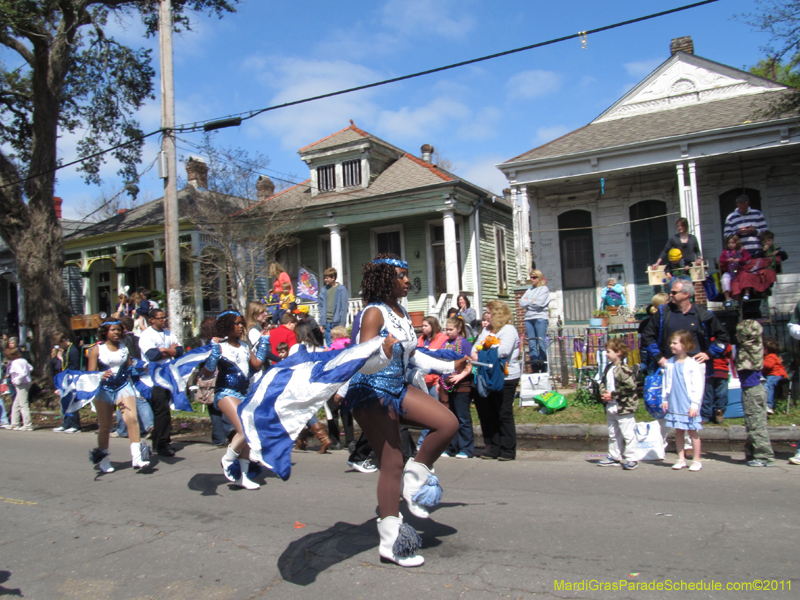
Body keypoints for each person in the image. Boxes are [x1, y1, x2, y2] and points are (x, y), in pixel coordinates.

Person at [342, 254, 465, 567]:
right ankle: (391, 542)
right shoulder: (373, 313)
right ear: (386, 279)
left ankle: (415, 476)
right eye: (401, 275)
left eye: (407, 275)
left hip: (397, 387)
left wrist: (451, 365)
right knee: (392, 461)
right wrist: (382, 353)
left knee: (447, 423)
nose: (408, 280)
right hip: (369, 391)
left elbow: (414, 358)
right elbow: (361, 361)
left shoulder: (401, 312)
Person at [641, 277, 729, 434]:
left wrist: (709, 353)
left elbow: (723, 337)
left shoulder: (702, 314)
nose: (671, 295)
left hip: (694, 365)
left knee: (691, 405)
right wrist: (659, 357)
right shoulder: (663, 312)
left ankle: (689, 444)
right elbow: (647, 335)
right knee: (666, 403)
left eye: (674, 292)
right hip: (670, 364)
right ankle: (662, 441)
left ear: (686, 294)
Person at [205, 311, 270, 489]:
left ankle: (242, 475)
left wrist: (264, 341)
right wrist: (213, 351)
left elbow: (256, 365)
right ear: (227, 326)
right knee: (244, 429)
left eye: (242, 322)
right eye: (237, 323)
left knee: (248, 433)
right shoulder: (220, 346)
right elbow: (207, 372)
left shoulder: (243, 345)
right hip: (225, 392)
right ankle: (227, 459)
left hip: (243, 393)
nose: (241, 326)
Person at [87, 318, 150, 472]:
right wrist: (100, 375)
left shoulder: (124, 348)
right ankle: (103, 459)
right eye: (113, 330)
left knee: (132, 419)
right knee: (105, 426)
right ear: (105, 332)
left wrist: (143, 370)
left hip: (123, 386)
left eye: (118, 330)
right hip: (104, 390)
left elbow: (129, 368)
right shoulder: (96, 349)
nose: (117, 333)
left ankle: (137, 458)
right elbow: (90, 373)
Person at [474, 300, 520, 461]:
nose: (487, 315)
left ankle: (508, 449)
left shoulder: (509, 330)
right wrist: (483, 349)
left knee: (503, 412)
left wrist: (483, 350)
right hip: (487, 375)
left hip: (506, 376)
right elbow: (475, 348)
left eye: (489, 312)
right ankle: (493, 447)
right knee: (490, 413)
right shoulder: (487, 330)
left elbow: (503, 351)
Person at [138, 308, 184, 457]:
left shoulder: (169, 334)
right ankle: (163, 442)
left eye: (165, 317)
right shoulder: (146, 336)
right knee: (162, 411)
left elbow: (179, 351)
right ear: (152, 320)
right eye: (160, 318)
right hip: (153, 379)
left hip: (167, 377)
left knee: (163, 411)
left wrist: (165, 350)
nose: (163, 320)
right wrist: (167, 350)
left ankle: (157, 442)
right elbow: (153, 355)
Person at [661, 331, 704, 472]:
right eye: (671, 343)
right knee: (679, 430)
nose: (672, 346)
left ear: (685, 345)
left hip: (688, 401)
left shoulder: (692, 364)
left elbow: (698, 386)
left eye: (675, 343)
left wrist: (694, 405)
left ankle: (697, 459)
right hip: (675, 400)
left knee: (692, 430)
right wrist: (664, 399)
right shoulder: (670, 363)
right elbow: (665, 382)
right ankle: (681, 458)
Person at [735, 320, 775, 467]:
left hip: (752, 391)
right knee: (751, 423)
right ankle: (751, 453)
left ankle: (764, 456)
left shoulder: (749, 348)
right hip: (752, 389)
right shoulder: (756, 345)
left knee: (756, 425)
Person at [597, 339, 638, 470]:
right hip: (611, 406)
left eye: (609, 351)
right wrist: (603, 393)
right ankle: (614, 456)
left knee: (628, 433)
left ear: (619, 353)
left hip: (624, 407)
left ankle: (631, 458)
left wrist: (613, 395)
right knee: (613, 433)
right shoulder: (608, 368)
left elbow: (630, 388)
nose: (606, 354)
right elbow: (603, 383)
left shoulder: (624, 369)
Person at [440, 316, 474, 459]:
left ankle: (466, 448)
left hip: (462, 386)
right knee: (450, 418)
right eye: (446, 329)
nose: (447, 332)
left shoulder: (464, 344)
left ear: (459, 329)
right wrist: (439, 381)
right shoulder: (445, 343)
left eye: (450, 329)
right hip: (447, 384)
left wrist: (460, 376)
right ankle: (451, 447)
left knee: (462, 417)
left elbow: (470, 364)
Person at [415, 315, 448, 450]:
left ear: (433, 326)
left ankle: (439, 444)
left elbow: (442, 359)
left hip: (435, 382)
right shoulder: (421, 339)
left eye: (425, 326)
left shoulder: (442, 339)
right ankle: (423, 442)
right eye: (422, 325)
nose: (422, 328)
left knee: (437, 415)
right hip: (422, 382)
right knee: (425, 415)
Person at [51, 333, 82, 433]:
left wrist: (61, 359)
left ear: (64, 340)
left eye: (60, 344)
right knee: (64, 403)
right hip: (64, 380)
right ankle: (66, 424)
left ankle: (75, 425)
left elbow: (71, 367)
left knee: (71, 403)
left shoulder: (72, 350)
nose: (59, 347)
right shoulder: (65, 350)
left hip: (71, 379)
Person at [519, 269, 550, 365]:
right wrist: (531, 301)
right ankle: (534, 364)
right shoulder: (529, 290)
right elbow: (521, 302)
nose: (532, 279)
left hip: (540, 317)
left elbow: (539, 303)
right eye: (531, 277)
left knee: (541, 342)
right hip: (529, 318)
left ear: (539, 278)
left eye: (534, 277)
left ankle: (543, 364)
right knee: (532, 343)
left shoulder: (544, 289)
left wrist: (528, 303)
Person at [701, 338, 731, 425]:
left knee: (708, 394)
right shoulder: (725, 342)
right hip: (719, 371)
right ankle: (717, 412)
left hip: (713, 371)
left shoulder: (706, 340)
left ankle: (708, 415)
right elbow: (729, 355)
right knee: (720, 394)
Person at [318, 267, 349, 346]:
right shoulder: (323, 290)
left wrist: (342, 324)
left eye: (327, 278)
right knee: (329, 345)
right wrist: (322, 323)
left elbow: (344, 307)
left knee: (338, 344)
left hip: (337, 322)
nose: (325, 280)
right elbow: (320, 307)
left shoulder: (341, 289)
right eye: (325, 278)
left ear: (333, 278)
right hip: (326, 322)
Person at [719, 234, 752, 305]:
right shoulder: (726, 252)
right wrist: (727, 260)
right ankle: (728, 300)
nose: (730, 245)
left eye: (732, 243)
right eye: (729, 243)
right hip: (729, 272)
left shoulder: (741, 250)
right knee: (724, 279)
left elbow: (748, 257)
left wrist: (740, 260)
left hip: (740, 271)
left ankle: (747, 294)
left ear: (736, 243)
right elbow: (721, 260)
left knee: (746, 276)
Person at [5, 348, 33, 431]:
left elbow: (22, 373)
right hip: (27, 383)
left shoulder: (14, 363)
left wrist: (16, 381)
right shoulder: (23, 360)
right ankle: (15, 423)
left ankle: (28, 425)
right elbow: (31, 368)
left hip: (21, 385)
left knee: (23, 404)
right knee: (16, 404)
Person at [762, 338, 788, 415]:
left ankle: (768, 405)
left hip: (776, 375)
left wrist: (760, 362)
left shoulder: (771, 356)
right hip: (771, 375)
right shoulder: (769, 357)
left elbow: (768, 366)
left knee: (768, 385)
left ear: (766, 350)